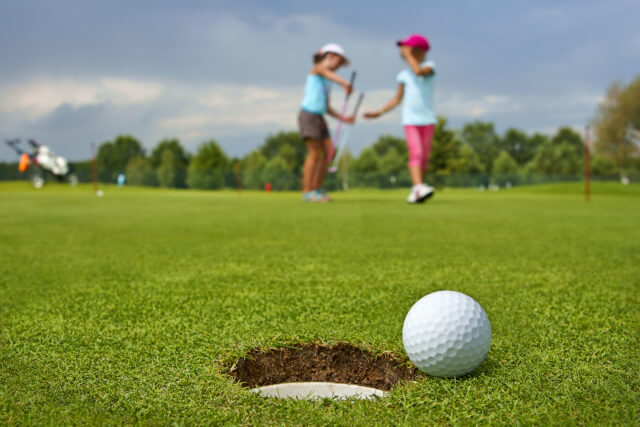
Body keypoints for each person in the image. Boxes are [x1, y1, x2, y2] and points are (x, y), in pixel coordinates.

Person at [364, 34, 436, 204]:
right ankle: (418, 188)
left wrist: (409, 55)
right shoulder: (403, 75)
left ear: (419, 51)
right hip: (410, 120)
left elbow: (419, 71)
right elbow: (397, 99)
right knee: (416, 153)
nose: (404, 52)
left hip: (428, 120)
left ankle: (418, 189)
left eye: (409, 49)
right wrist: (379, 112)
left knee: (424, 159)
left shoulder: (430, 67)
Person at [298, 43, 354, 202]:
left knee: (330, 152)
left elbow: (327, 107)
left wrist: (345, 119)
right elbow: (325, 71)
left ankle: (317, 188)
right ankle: (307, 191)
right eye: (339, 62)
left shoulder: (328, 81)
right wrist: (344, 83)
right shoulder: (318, 68)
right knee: (315, 153)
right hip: (309, 115)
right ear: (330, 56)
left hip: (319, 117)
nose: (339, 67)